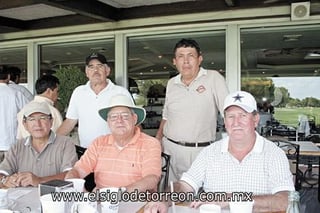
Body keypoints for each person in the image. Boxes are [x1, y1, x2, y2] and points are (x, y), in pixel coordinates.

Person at [144, 91, 294, 213]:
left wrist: (229, 199)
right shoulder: (210, 152)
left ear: (255, 120)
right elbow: (184, 186)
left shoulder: (273, 154)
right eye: (231, 116)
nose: (236, 123)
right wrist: (163, 198)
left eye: (243, 116)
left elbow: (285, 200)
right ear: (225, 121)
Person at [156, 38, 229, 182]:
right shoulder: (172, 83)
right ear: (174, 61)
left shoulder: (213, 78)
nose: (186, 61)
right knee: (170, 196)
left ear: (199, 59)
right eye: (181, 56)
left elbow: (229, 113)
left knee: (198, 200)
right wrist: (158, 139)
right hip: (170, 149)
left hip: (200, 152)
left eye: (191, 56)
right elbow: (166, 115)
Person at [65, 95, 161, 192]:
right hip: (101, 202)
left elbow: (151, 178)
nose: (119, 120)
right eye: (114, 117)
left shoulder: (150, 144)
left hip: (137, 203)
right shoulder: (99, 143)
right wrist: (82, 191)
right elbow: (78, 170)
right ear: (108, 122)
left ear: (134, 119)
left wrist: (120, 193)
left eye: (125, 116)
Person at [57, 53, 133, 148]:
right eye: (91, 67)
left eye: (99, 66)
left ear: (107, 70)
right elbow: (70, 122)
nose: (95, 70)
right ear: (87, 72)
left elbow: (133, 122)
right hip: (87, 152)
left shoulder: (121, 92)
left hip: (115, 152)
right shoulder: (79, 92)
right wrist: (52, 141)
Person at [0, 101, 78, 188]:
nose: (37, 124)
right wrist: (5, 180)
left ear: (51, 121)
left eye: (42, 118)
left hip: (53, 199)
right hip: (21, 200)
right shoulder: (17, 146)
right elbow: (2, 172)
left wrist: (40, 180)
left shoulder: (65, 143)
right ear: (25, 124)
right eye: (32, 119)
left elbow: (71, 175)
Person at [16, 75, 63, 140]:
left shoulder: (23, 110)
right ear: (49, 91)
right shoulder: (52, 111)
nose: (58, 95)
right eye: (57, 91)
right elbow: (59, 137)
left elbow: (19, 138)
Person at [0, 66, 26, 162]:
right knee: (10, 175)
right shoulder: (15, 93)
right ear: (8, 76)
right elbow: (27, 113)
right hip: (10, 142)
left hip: (10, 143)